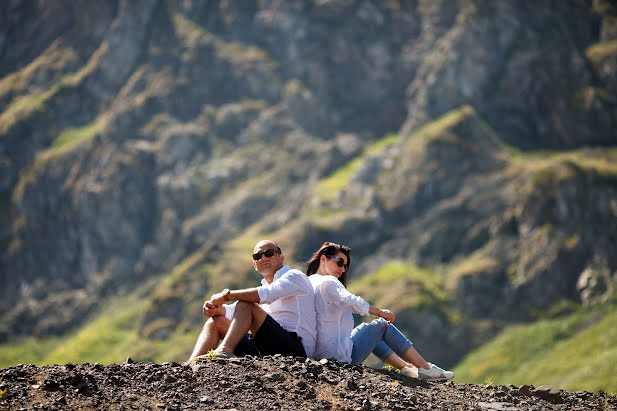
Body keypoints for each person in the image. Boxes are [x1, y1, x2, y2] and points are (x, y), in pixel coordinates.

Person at [306, 241, 454, 381]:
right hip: (337, 358)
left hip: (318, 353)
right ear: (324, 259)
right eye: (339, 263)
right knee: (381, 325)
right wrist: (380, 312)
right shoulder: (329, 281)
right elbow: (351, 300)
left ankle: (407, 368)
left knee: (368, 331)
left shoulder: (309, 282)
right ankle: (426, 369)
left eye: (345, 266)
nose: (343, 269)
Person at [188, 240, 316, 361]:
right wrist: (213, 309)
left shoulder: (294, 276)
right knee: (215, 322)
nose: (264, 258)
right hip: (266, 348)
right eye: (258, 256)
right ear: (255, 264)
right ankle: (191, 364)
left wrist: (226, 295)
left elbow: (267, 294)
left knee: (246, 304)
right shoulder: (264, 287)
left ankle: (224, 350)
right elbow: (232, 310)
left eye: (269, 253)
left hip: (295, 350)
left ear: (281, 257)